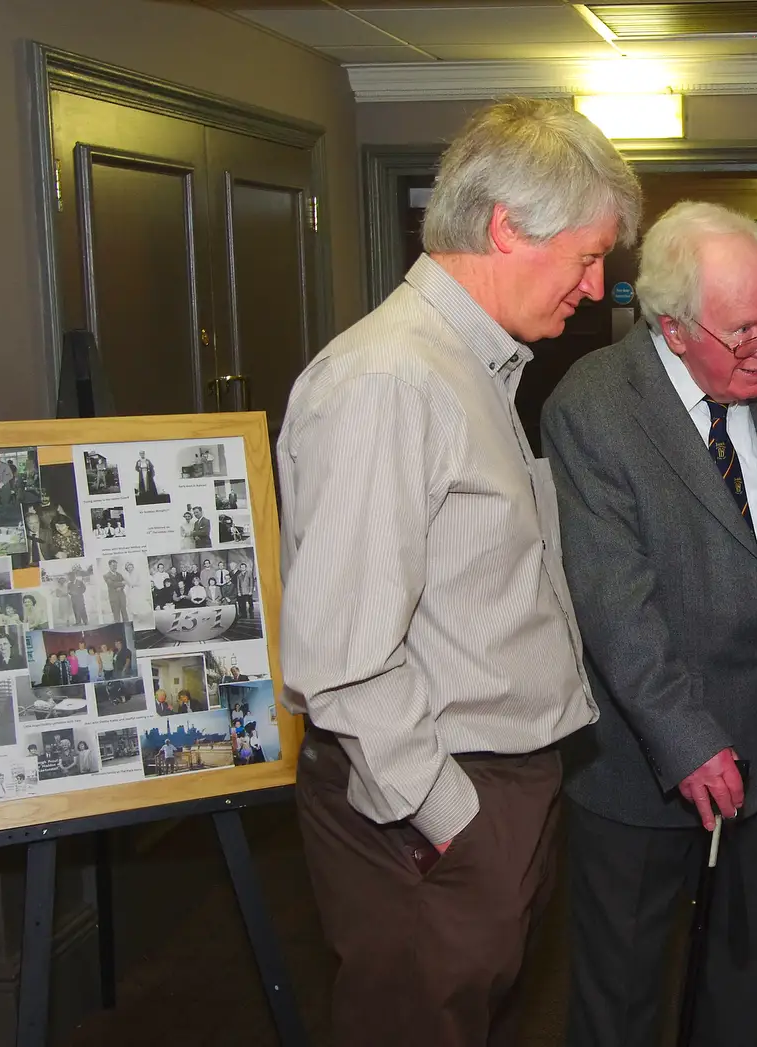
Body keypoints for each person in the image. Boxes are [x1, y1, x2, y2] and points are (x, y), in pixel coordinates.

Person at [277, 96, 639, 1047]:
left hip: (482, 796)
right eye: (587, 255)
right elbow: (342, 655)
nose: (597, 288)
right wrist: (453, 820)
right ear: (508, 226)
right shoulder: (392, 379)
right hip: (429, 811)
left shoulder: (472, 366)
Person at [542, 201, 757, 1047]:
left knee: (741, 979)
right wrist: (687, 738)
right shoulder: (593, 406)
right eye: (743, 331)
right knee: (622, 996)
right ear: (673, 328)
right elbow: (612, 601)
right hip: (642, 763)